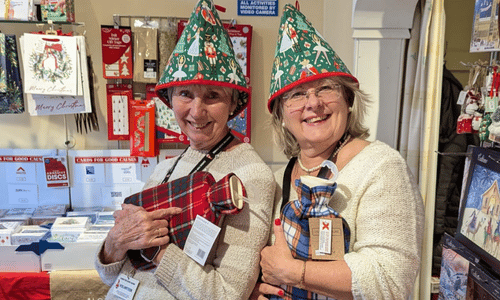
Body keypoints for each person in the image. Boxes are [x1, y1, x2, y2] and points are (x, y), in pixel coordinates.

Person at [95, 1, 275, 299]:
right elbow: (109, 274)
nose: (196, 110)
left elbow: (227, 293)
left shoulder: (250, 176)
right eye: (185, 94)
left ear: (234, 105)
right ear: (170, 98)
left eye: (213, 96)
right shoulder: (165, 168)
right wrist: (115, 243)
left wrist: (156, 251)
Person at [251, 3, 425, 300]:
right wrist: (257, 289)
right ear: (281, 114)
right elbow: (266, 263)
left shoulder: (381, 167)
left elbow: (392, 279)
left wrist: (294, 273)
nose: (313, 104)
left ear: (347, 99)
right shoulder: (279, 178)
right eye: (296, 95)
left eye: (326, 89)